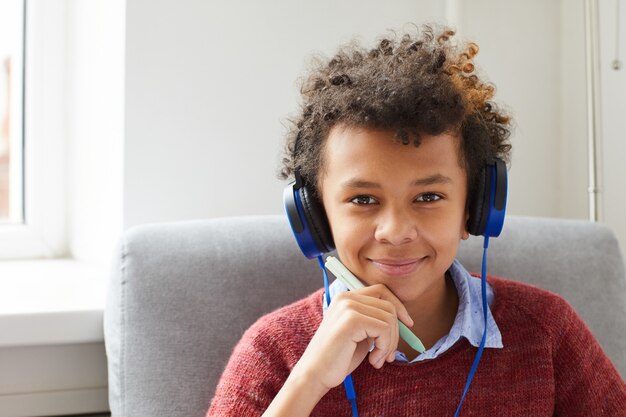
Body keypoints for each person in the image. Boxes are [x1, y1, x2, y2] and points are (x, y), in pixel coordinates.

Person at [207, 24, 626, 416]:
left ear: (475, 207)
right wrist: (309, 381)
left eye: (428, 196)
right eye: (363, 199)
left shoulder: (546, 330)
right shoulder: (274, 349)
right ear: (316, 215)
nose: (395, 231)